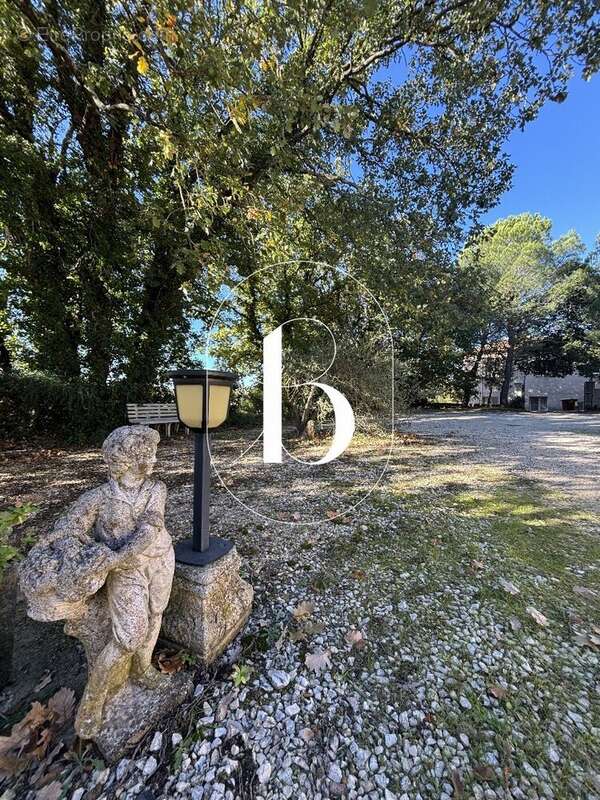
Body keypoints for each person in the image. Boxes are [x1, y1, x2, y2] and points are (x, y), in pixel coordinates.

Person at [39, 425, 175, 738]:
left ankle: (143, 668)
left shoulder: (157, 489)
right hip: (125, 571)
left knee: (157, 613)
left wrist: (118, 554)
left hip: (160, 559)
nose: (154, 459)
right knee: (129, 635)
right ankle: (95, 695)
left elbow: (152, 525)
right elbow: (66, 530)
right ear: (129, 459)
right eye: (148, 454)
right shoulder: (98, 498)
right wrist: (83, 557)